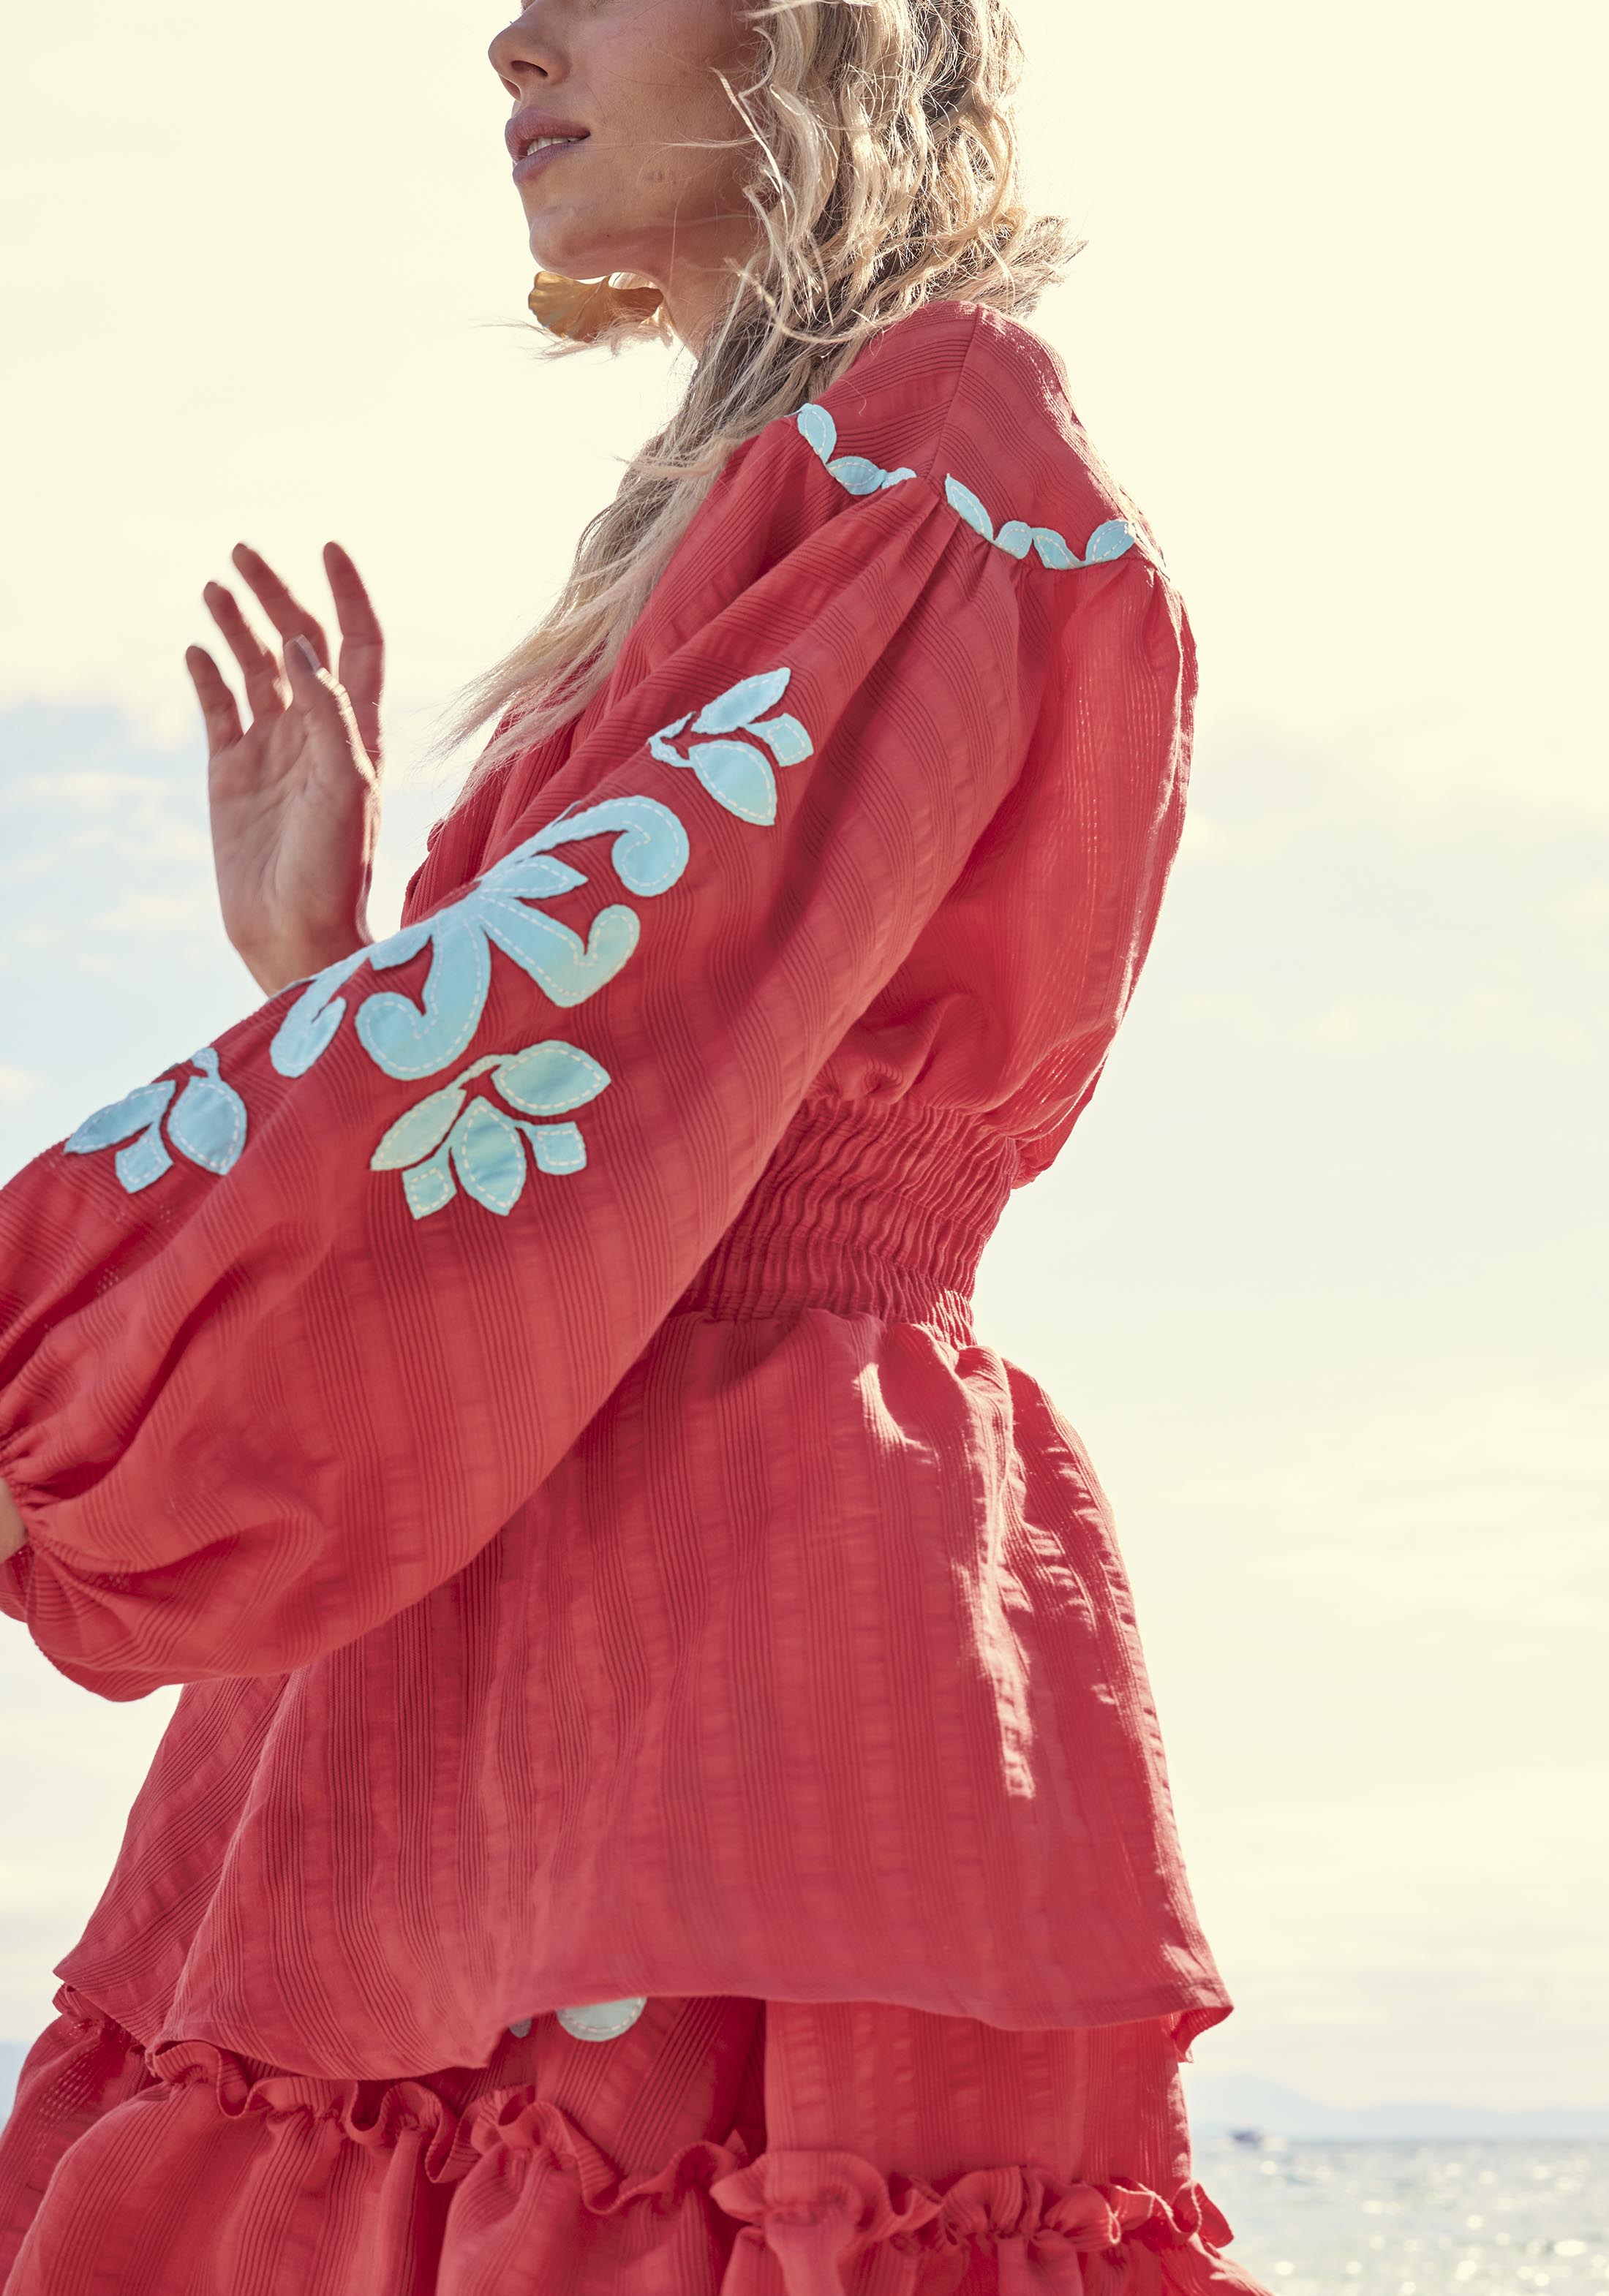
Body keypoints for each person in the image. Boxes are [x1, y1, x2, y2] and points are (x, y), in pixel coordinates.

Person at [0, 0, 1271, 2289]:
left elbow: (594, 1031)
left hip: (723, 1594)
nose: (511, 40)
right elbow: (570, 1087)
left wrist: (59, 1355)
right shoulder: (787, 484)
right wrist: (324, 964)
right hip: (519, 1582)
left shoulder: (947, 440)